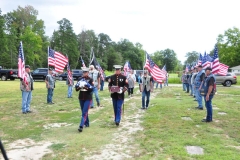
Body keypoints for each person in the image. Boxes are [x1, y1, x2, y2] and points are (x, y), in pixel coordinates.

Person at [75, 67, 94, 132]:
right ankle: (87, 123)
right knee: (84, 111)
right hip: (81, 97)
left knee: (84, 112)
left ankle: (81, 126)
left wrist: (85, 87)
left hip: (88, 98)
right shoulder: (80, 79)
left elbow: (91, 89)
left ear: (88, 73)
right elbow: (76, 89)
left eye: (85, 72)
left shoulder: (90, 79)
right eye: (83, 72)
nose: (84, 73)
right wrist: (80, 87)